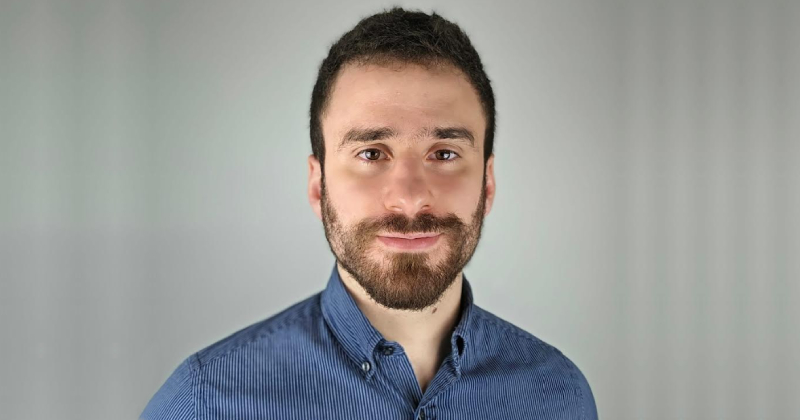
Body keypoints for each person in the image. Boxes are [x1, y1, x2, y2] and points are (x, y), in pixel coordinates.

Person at [141, 7, 598, 420]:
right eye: (371, 153)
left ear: (488, 182)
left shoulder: (560, 396)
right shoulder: (206, 402)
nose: (409, 199)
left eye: (443, 154)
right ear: (318, 185)